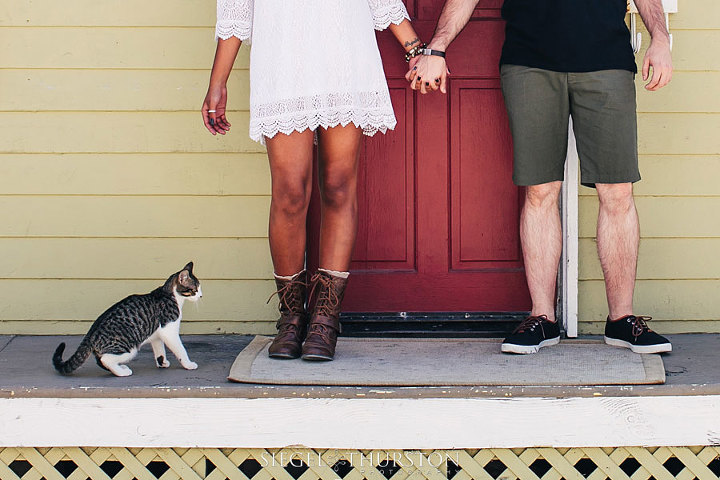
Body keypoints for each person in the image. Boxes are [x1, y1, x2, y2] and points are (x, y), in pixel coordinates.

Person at [410, 0, 674, 354]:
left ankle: (622, 320)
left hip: (607, 61)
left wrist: (660, 38)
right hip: (529, 63)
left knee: (617, 191)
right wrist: (436, 47)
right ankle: (542, 318)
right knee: (540, 191)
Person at [203, 0, 424, 361]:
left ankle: (325, 319)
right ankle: (291, 317)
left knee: (338, 185)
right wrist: (218, 82)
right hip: (283, 57)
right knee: (290, 192)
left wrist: (415, 48)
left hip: (344, 53)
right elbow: (235, 11)